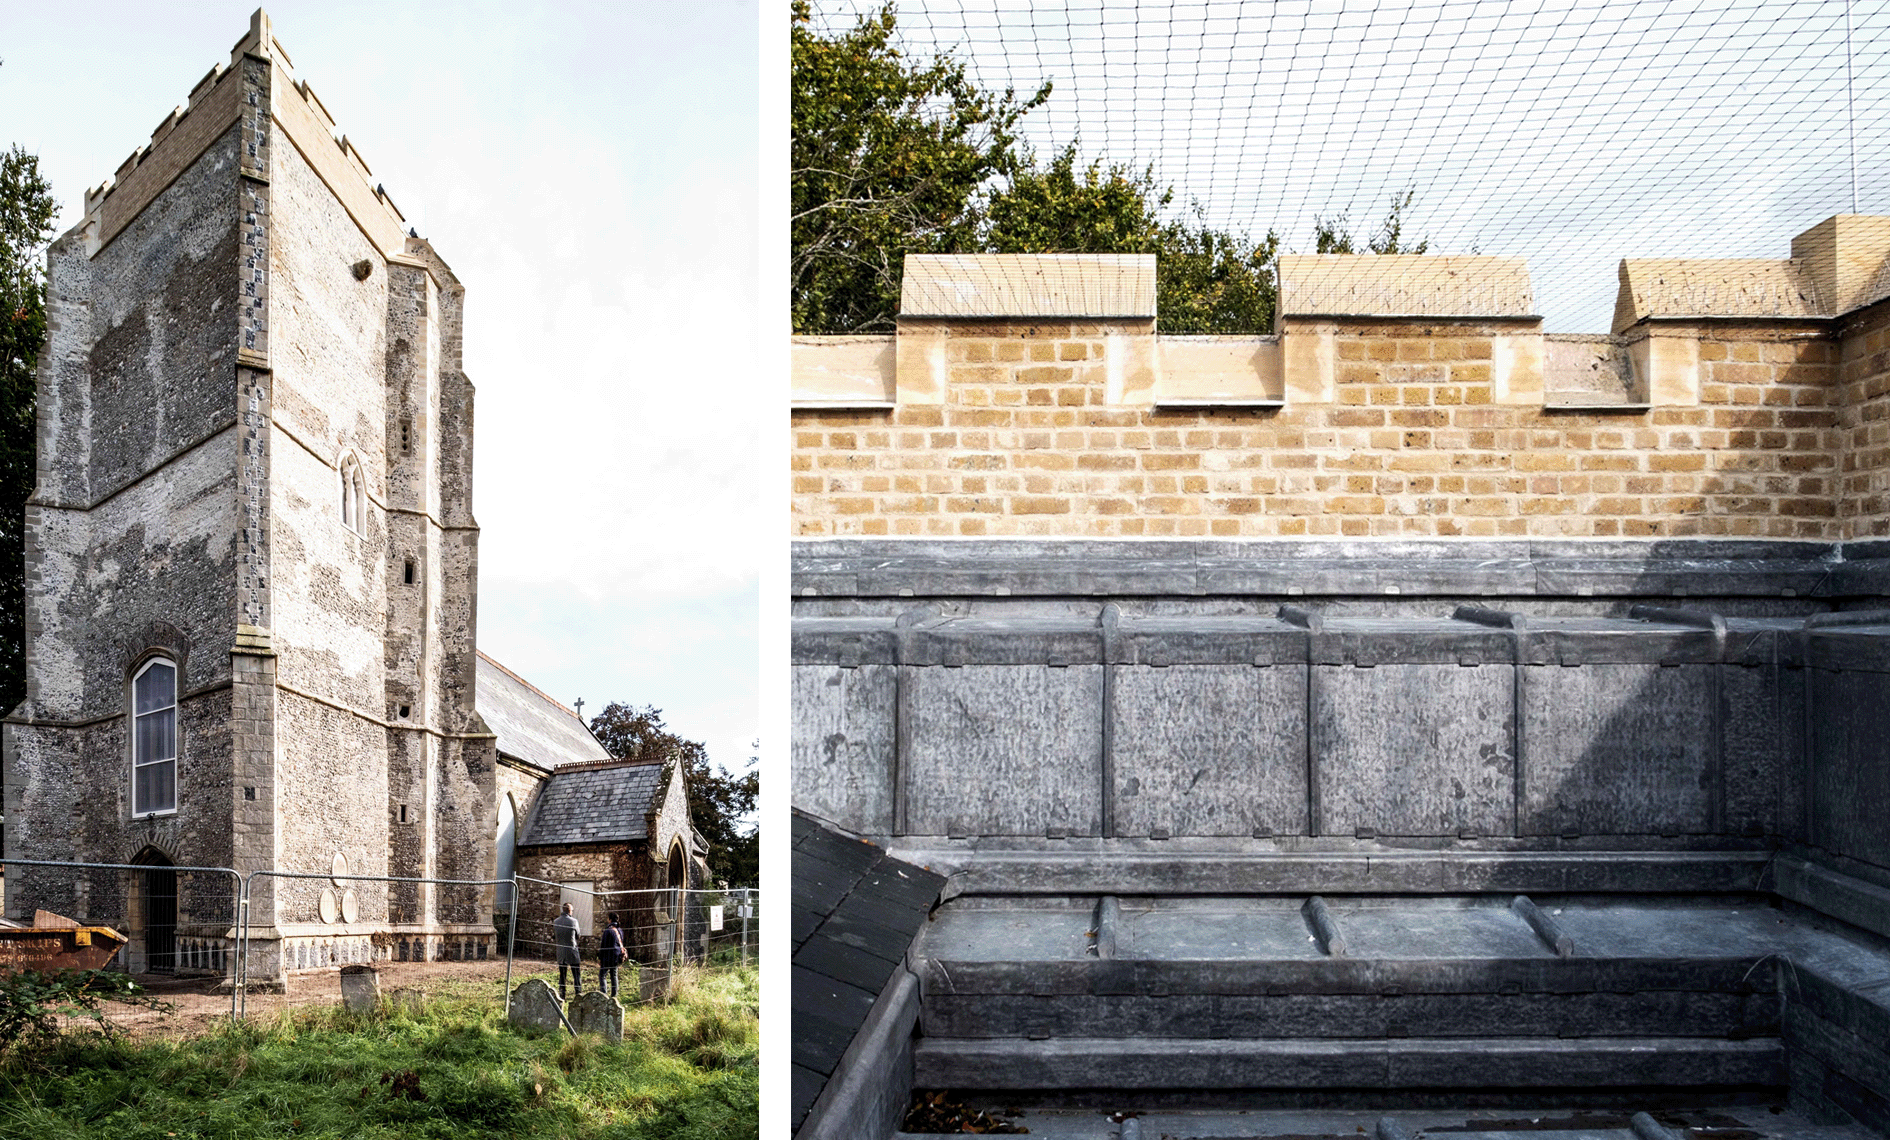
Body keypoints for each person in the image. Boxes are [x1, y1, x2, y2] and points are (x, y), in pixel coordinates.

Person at [553, 901, 582, 999]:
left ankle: (562, 994)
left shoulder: (556, 922)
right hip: (572, 950)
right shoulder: (574, 921)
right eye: (572, 910)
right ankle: (578, 993)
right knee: (576, 974)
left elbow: (555, 936)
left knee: (562, 975)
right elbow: (578, 935)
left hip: (561, 951)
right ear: (570, 911)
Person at [598, 912, 627, 998]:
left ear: (610, 919)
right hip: (617, 956)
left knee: (602, 975)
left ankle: (604, 994)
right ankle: (614, 995)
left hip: (607, 956)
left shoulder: (608, 930)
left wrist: (600, 957)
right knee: (614, 975)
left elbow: (603, 945)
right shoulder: (620, 930)